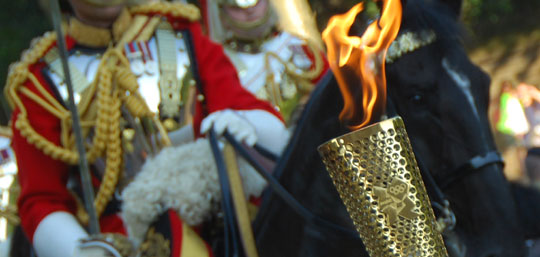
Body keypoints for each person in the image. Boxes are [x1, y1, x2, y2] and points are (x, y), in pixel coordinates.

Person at [5, 0, 289, 256]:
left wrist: (247, 122)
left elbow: (251, 111)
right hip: (127, 244)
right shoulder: (38, 83)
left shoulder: (179, 33)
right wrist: (80, 251)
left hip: (223, 220)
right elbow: (41, 198)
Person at [201, 0, 329, 124]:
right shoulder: (218, 67)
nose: (250, 11)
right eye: (236, 7)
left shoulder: (299, 47)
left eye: (257, 2)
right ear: (221, 12)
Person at [517, 82, 540, 187]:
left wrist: (536, 94)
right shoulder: (522, 107)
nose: (520, 94)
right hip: (531, 151)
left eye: (523, 91)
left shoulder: (537, 105)